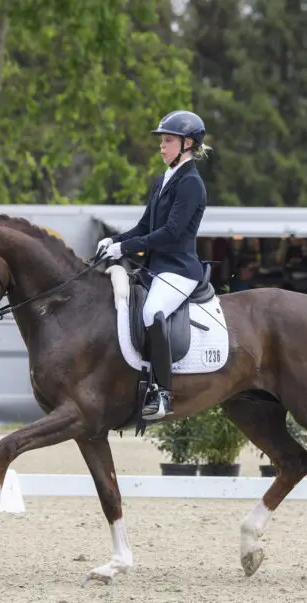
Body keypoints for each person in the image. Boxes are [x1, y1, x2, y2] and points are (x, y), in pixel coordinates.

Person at [95, 109, 212, 421]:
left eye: (168, 140)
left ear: (188, 144)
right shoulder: (163, 180)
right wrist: (113, 240)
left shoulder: (191, 183)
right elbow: (144, 226)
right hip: (156, 268)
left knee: (151, 312)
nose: (162, 146)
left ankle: (162, 394)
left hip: (179, 269)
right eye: (162, 141)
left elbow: (171, 232)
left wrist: (125, 248)